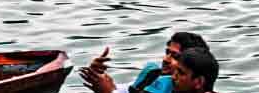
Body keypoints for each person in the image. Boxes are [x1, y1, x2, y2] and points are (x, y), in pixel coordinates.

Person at [78, 32, 208, 93]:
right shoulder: (154, 78)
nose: (165, 59)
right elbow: (118, 89)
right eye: (167, 53)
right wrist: (97, 77)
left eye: (174, 56)